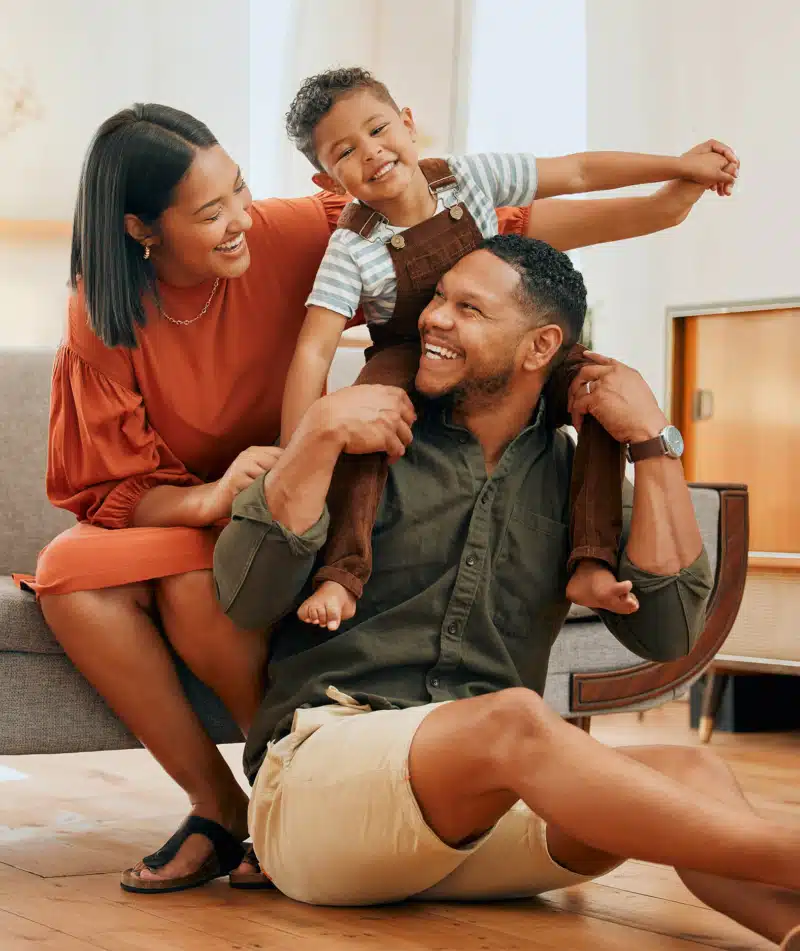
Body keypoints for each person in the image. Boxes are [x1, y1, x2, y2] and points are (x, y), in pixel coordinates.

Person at [23, 101, 727, 894]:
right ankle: (232, 800)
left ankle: (270, 791)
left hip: (307, 487)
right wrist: (249, 479)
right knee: (77, 575)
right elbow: (112, 485)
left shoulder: (297, 232)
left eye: (241, 192)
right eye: (210, 212)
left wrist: (670, 199)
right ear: (141, 230)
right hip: (230, 495)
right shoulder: (105, 314)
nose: (240, 221)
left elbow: (486, 223)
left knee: (199, 585)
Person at [215, 236, 800, 948]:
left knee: (690, 768)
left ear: (539, 346)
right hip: (322, 791)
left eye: (468, 308)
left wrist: (652, 441)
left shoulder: (572, 479)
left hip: (483, 818)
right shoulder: (363, 437)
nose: (433, 318)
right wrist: (317, 434)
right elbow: (244, 597)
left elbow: (671, 634)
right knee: (517, 719)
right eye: (438, 298)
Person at [278, 67, 739, 633]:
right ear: (329, 182)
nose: (371, 153)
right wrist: (295, 453)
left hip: (504, 333)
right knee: (364, 423)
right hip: (408, 349)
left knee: (601, 389)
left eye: (377, 130)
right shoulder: (351, 248)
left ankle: (591, 560)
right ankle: (342, 573)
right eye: (345, 152)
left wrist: (679, 166)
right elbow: (311, 354)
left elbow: (577, 170)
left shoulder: (468, 177)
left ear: (408, 123)